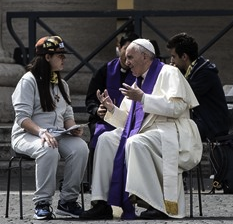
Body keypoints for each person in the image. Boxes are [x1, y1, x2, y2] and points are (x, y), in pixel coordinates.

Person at [79, 39, 203, 220]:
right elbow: (128, 123)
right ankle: (102, 202)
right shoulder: (136, 82)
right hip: (143, 133)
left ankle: (156, 204)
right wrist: (112, 109)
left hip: (169, 131)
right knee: (106, 139)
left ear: (145, 56)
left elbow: (177, 108)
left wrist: (144, 98)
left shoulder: (170, 73)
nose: (126, 61)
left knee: (134, 142)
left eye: (130, 57)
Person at [11, 36, 89, 220]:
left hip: (56, 134)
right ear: (47, 57)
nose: (64, 58)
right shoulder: (28, 81)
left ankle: (67, 201)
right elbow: (22, 118)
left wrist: (73, 128)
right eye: (60, 55)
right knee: (48, 149)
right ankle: (42, 203)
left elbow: (67, 115)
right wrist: (41, 132)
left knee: (80, 148)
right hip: (27, 134)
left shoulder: (62, 84)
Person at [166, 32, 229, 141]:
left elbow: (185, 98)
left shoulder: (204, 73)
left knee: (171, 135)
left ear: (184, 56)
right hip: (199, 121)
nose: (172, 61)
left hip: (212, 125)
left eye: (173, 56)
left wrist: (173, 74)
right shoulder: (188, 70)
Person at [85, 32, 139, 150]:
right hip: (105, 120)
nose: (128, 55)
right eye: (126, 49)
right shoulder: (104, 71)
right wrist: (97, 110)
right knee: (102, 137)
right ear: (119, 48)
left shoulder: (139, 73)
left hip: (130, 122)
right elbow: (91, 100)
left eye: (133, 52)